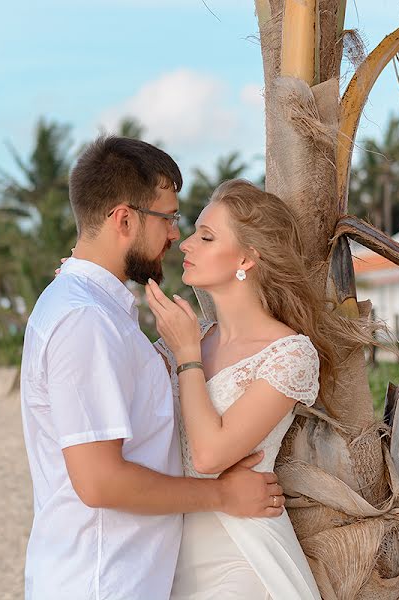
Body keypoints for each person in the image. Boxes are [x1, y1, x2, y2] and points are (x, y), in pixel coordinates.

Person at [20, 137, 285, 600]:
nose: (174, 236)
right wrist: (222, 496)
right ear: (124, 219)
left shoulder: (98, 310)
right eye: (168, 218)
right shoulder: (85, 319)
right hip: (102, 581)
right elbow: (100, 481)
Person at [147, 178, 329, 599]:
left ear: (247, 257)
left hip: (244, 556)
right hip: (174, 551)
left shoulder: (289, 354)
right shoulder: (192, 336)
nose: (187, 245)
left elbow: (210, 456)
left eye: (206, 237)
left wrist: (188, 355)